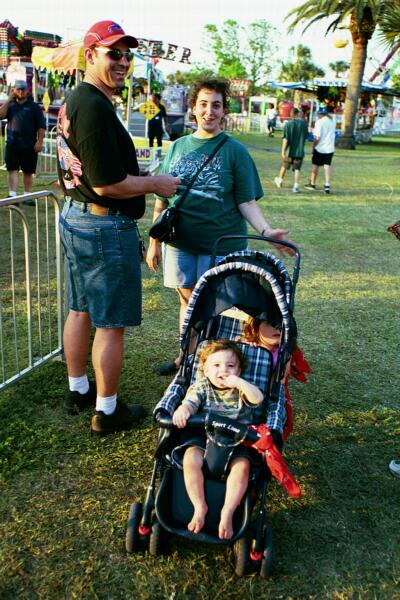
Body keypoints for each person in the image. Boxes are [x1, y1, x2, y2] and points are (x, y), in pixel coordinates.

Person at [56, 20, 180, 436]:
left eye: (128, 54)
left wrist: (135, 175)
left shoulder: (82, 98)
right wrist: (156, 183)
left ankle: (78, 389)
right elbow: (108, 184)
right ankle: (106, 410)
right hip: (102, 225)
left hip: (78, 216)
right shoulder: (92, 104)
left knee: (80, 308)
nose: (123, 61)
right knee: (109, 323)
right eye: (114, 53)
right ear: (91, 55)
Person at [146, 77, 295, 376]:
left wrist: (266, 231)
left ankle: (215, 366)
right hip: (180, 243)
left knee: (218, 307)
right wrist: (154, 242)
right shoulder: (178, 147)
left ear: (224, 110)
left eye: (216, 105)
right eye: (203, 104)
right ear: (193, 108)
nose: (209, 111)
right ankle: (186, 359)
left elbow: (246, 202)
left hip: (221, 245)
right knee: (187, 302)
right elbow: (162, 198)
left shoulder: (235, 151)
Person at [172, 339, 263, 539]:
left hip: (237, 438)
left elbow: (258, 399)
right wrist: (184, 409)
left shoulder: (241, 389)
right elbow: (191, 402)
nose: (224, 370)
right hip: (204, 435)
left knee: (242, 467)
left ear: (239, 371)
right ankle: (199, 505)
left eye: (230, 366)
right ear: (205, 370)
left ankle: (227, 511)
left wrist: (239, 383)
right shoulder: (202, 386)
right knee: (190, 459)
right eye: (216, 365)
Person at [0, 80, 46, 200]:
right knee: (12, 170)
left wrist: (40, 141)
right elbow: (0, 115)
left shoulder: (34, 107)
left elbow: (41, 126)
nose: (20, 91)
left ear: (27, 90)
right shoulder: (10, 106)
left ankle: (27, 196)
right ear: (14, 90)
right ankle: (12, 195)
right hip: (12, 144)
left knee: (28, 172)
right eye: (18, 89)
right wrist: (8, 100)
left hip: (29, 145)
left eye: (23, 89)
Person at [274, 107, 308, 193]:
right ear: (298, 114)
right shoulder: (303, 124)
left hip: (290, 151)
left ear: (291, 114)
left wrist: (283, 151)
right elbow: (307, 136)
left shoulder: (288, 124)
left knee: (285, 166)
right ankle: (296, 186)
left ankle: (280, 180)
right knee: (297, 169)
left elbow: (285, 139)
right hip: (299, 151)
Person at [304, 105, 336, 194]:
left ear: (320, 114)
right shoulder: (332, 121)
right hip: (330, 147)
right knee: (327, 165)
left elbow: (317, 137)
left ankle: (312, 183)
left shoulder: (319, 122)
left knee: (315, 165)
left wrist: (313, 146)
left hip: (320, 147)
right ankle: (327, 184)